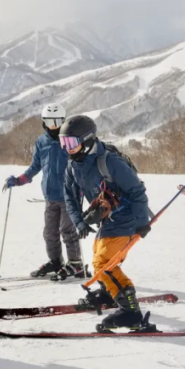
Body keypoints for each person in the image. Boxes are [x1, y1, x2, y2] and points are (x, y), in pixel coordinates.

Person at [59, 115, 152, 330]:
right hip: (108, 220)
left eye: (71, 143)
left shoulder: (110, 162)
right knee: (99, 256)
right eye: (64, 143)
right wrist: (79, 222)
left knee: (104, 265)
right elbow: (70, 198)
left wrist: (141, 222)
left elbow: (136, 191)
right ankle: (110, 294)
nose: (67, 149)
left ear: (88, 140)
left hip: (126, 219)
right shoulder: (73, 166)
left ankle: (131, 313)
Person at [2, 103, 86, 280]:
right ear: (44, 122)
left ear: (63, 121)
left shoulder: (71, 140)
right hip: (50, 195)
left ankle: (76, 264)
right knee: (49, 233)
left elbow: (82, 164)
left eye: (57, 121)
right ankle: (56, 261)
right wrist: (19, 180)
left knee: (67, 231)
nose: (53, 125)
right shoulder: (42, 142)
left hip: (69, 195)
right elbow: (36, 166)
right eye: (49, 121)